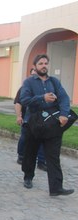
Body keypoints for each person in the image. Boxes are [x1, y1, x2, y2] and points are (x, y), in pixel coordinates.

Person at [20, 54, 74, 196]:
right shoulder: (29, 82)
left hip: (52, 123)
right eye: (41, 63)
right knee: (30, 152)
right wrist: (42, 98)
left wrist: (63, 114)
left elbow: (64, 98)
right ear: (35, 66)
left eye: (46, 63)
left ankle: (56, 188)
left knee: (53, 155)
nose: (44, 65)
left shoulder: (54, 82)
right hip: (34, 123)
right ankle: (28, 176)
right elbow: (24, 100)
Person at [14, 68, 47, 171]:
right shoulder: (24, 87)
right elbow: (18, 102)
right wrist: (19, 116)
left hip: (42, 119)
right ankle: (21, 155)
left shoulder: (45, 87)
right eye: (32, 75)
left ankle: (41, 161)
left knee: (42, 140)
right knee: (25, 138)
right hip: (27, 118)